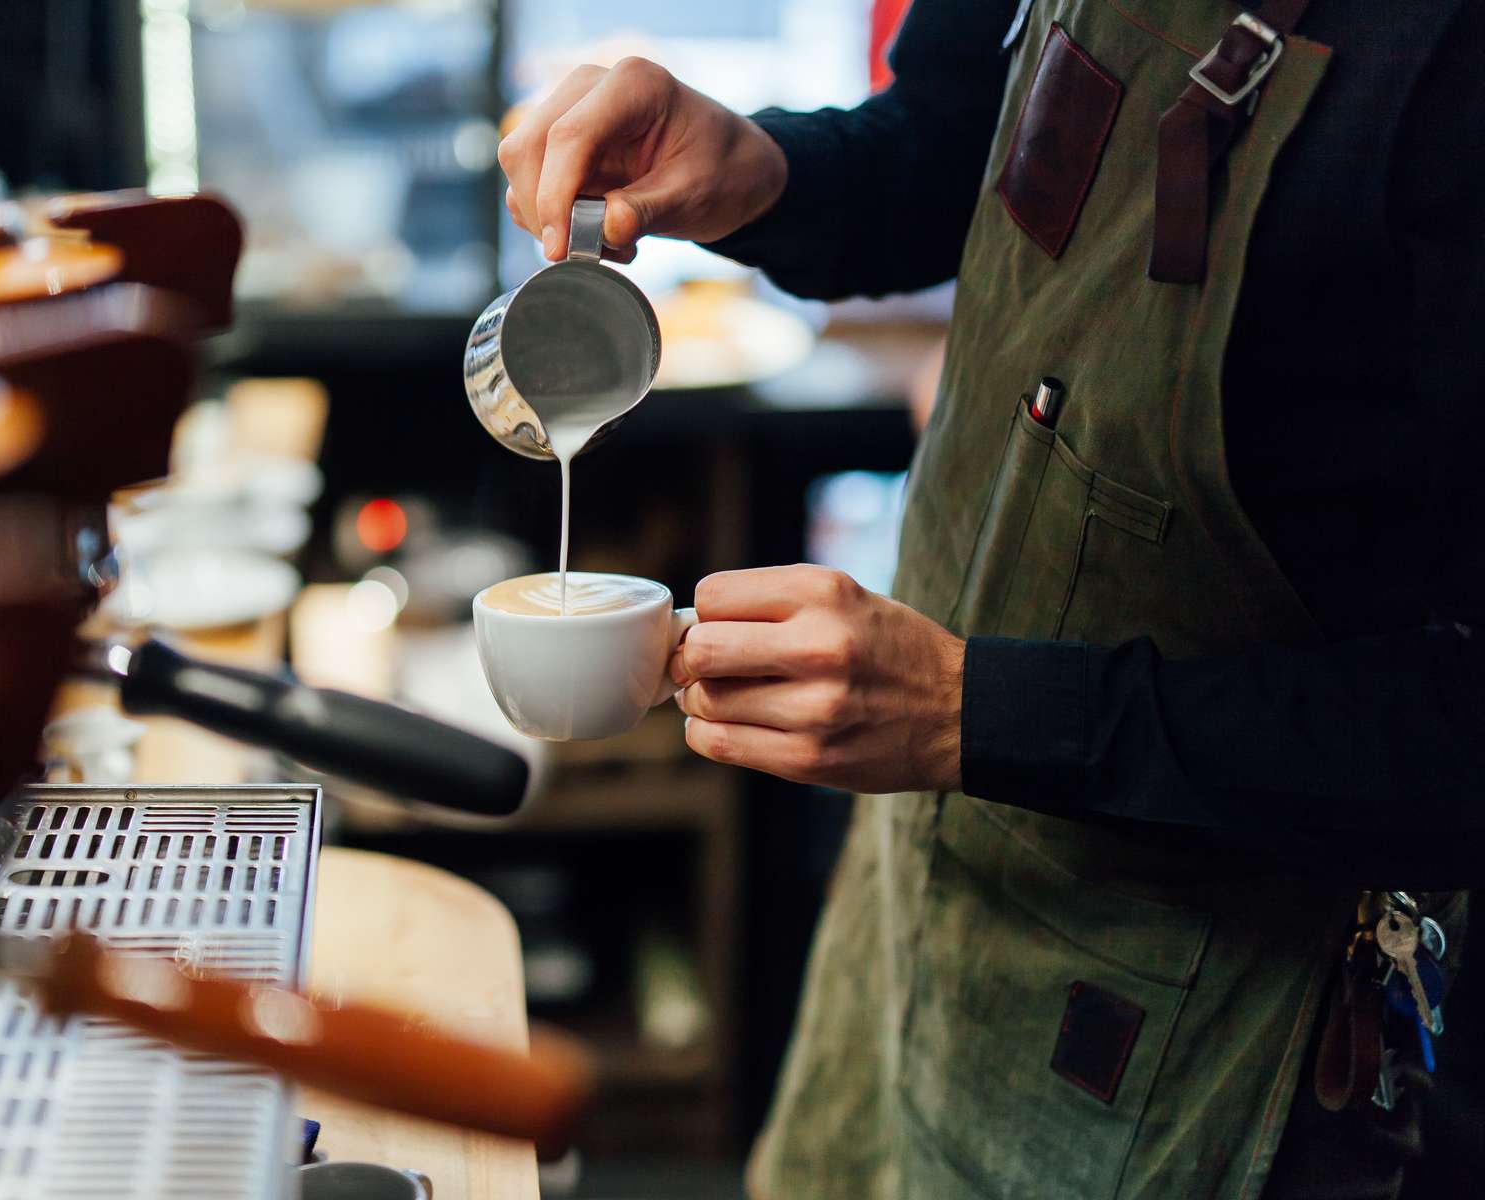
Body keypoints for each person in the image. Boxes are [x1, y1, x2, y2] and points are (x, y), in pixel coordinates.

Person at [497, 1, 1484, 1197]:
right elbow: (961, 143)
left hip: (1220, 1015)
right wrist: (774, 173)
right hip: (925, 883)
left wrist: (984, 713)